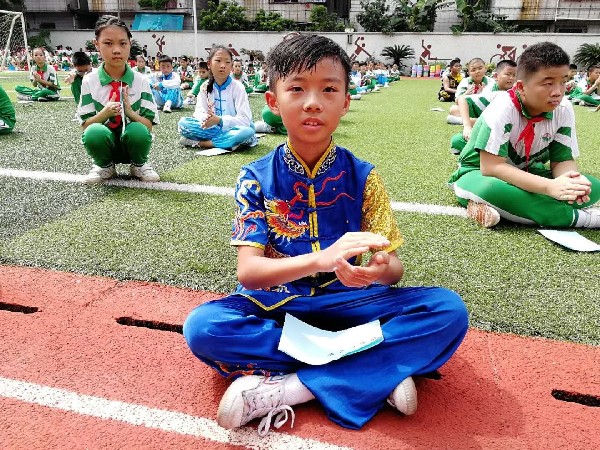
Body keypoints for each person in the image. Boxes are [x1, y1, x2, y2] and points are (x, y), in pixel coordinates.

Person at [182, 34, 468, 435]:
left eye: (328, 89)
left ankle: (294, 387)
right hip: (281, 307)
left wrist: (378, 270)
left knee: (447, 311)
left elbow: (393, 267)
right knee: (205, 327)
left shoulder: (363, 175)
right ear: (272, 101)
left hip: (354, 303)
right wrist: (323, 259)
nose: (312, 102)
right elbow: (249, 272)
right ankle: (375, 370)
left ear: (346, 101)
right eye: (297, 88)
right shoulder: (255, 177)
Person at [448, 41, 600, 228]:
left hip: (526, 171)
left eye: (563, 81)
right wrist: (549, 187)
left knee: (592, 185)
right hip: (478, 172)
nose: (558, 92)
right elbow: (491, 168)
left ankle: (506, 206)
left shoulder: (563, 108)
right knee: (492, 189)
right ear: (520, 88)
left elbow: (561, 160)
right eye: (548, 83)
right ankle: (579, 218)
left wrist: (570, 182)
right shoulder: (503, 106)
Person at [77, 15, 160, 184]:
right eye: (108, 43)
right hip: (105, 145)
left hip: (133, 145)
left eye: (122, 43)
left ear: (130, 44)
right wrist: (105, 112)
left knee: (138, 129)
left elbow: (149, 125)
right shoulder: (89, 80)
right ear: (97, 45)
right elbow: (85, 125)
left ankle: (139, 164)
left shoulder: (140, 80)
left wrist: (130, 113)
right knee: (93, 132)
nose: (116, 50)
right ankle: (105, 166)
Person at [178, 45, 256, 152]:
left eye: (227, 62)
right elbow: (199, 112)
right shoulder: (205, 86)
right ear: (209, 64)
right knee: (183, 123)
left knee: (247, 132)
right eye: (218, 61)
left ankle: (203, 143)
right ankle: (227, 141)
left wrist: (220, 120)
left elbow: (245, 120)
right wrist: (207, 119)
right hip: (212, 128)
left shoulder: (238, 87)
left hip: (235, 128)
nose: (223, 65)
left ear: (231, 66)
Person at [449, 60, 517, 154]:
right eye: (508, 74)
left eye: (514, 75)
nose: (511, 78)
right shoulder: (490, 90)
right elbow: (460, 99)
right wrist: (467, 127)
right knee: (457, 139)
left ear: (485, 69)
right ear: (496, 76)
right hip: (487, 125)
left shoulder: (516, 92)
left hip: (507, 134)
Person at [447, 57, 493, 124]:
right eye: (473, 70)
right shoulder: (465, 82)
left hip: (486, 110)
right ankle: (478, 121)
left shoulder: (491, 82)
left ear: (485, 69)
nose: (477, 72)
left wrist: (482, 94)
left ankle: (461, 121)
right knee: (453, 109)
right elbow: (457, 101)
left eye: (480, 68)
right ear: (468, 72)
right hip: (471, 110)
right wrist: (466, 94)